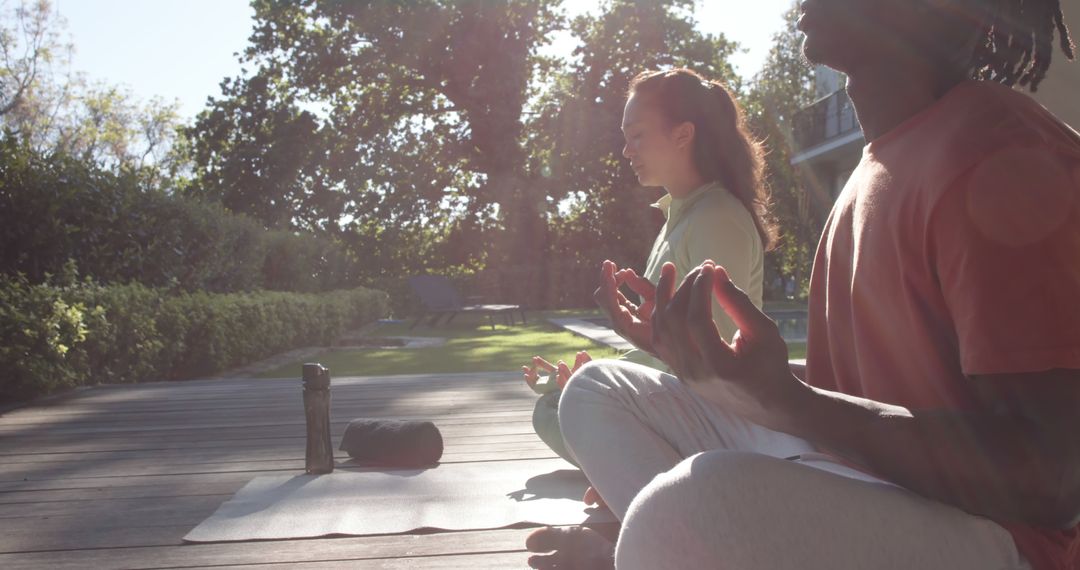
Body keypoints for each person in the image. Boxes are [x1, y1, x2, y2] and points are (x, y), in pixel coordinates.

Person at [526, 0, 1080, 568]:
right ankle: (649, 548)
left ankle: (646, 546)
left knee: (689, 506)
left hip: (994, 541)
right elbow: (877, 393)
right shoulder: (877, 163)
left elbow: (1052, 481)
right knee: (597, 390)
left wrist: (792, 401)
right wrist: (721, 366)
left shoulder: (1002, 158)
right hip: (859, 478)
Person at [520, 69, 774, 467]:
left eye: (637, 135)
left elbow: (716, 363)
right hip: (674, 399)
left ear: (682, 134)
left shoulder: (717, 218)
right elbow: (663, 349)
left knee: (556, 412)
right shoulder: (681, 215)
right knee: (554, 405)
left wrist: (603, 387)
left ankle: (641, 470)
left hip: (711, 424)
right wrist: (594, 373)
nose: (626, 151)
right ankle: (622, 459)